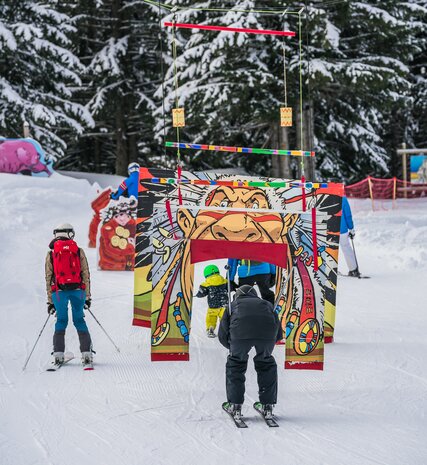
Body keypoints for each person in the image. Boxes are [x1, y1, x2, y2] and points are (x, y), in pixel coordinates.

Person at [218, 284, 282, 419]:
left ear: (238, 295)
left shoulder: (232, 305)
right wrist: (269, 344)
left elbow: (223, 334)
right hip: (266, 336)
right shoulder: (267, 304)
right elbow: (278, 332)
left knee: (235, 365)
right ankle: (267, 406)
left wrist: (231, 348)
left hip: (240, 336)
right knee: (266, 364)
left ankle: (235, 406)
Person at [45, 223, 93, 365]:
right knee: (79, 320)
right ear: (69, 233)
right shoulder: (78, 251)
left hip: (59, 293)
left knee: (61, 321)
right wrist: (87, 297)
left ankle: (58, 355)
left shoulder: (51, 253)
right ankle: (86, 354)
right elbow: (85, 273)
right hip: (78, 291)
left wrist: (50, 301)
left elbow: (49, 277)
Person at [195, 264, 230, 338]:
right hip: (224, 304)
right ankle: (226, 331)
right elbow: (230, 287)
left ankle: (210, 328)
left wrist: (198, 295)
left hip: (213, 305)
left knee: (211, 317)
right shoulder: (225, 281)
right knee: (224, 318)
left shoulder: (206, 284)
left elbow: (202, 293)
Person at [340, 196, 360, 277]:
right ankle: (353, 269)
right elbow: (347, 214)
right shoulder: (342, 198)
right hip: (342, 228)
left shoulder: (322, 196)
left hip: (327, 229)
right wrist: (351, 228)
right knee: (346, 248)